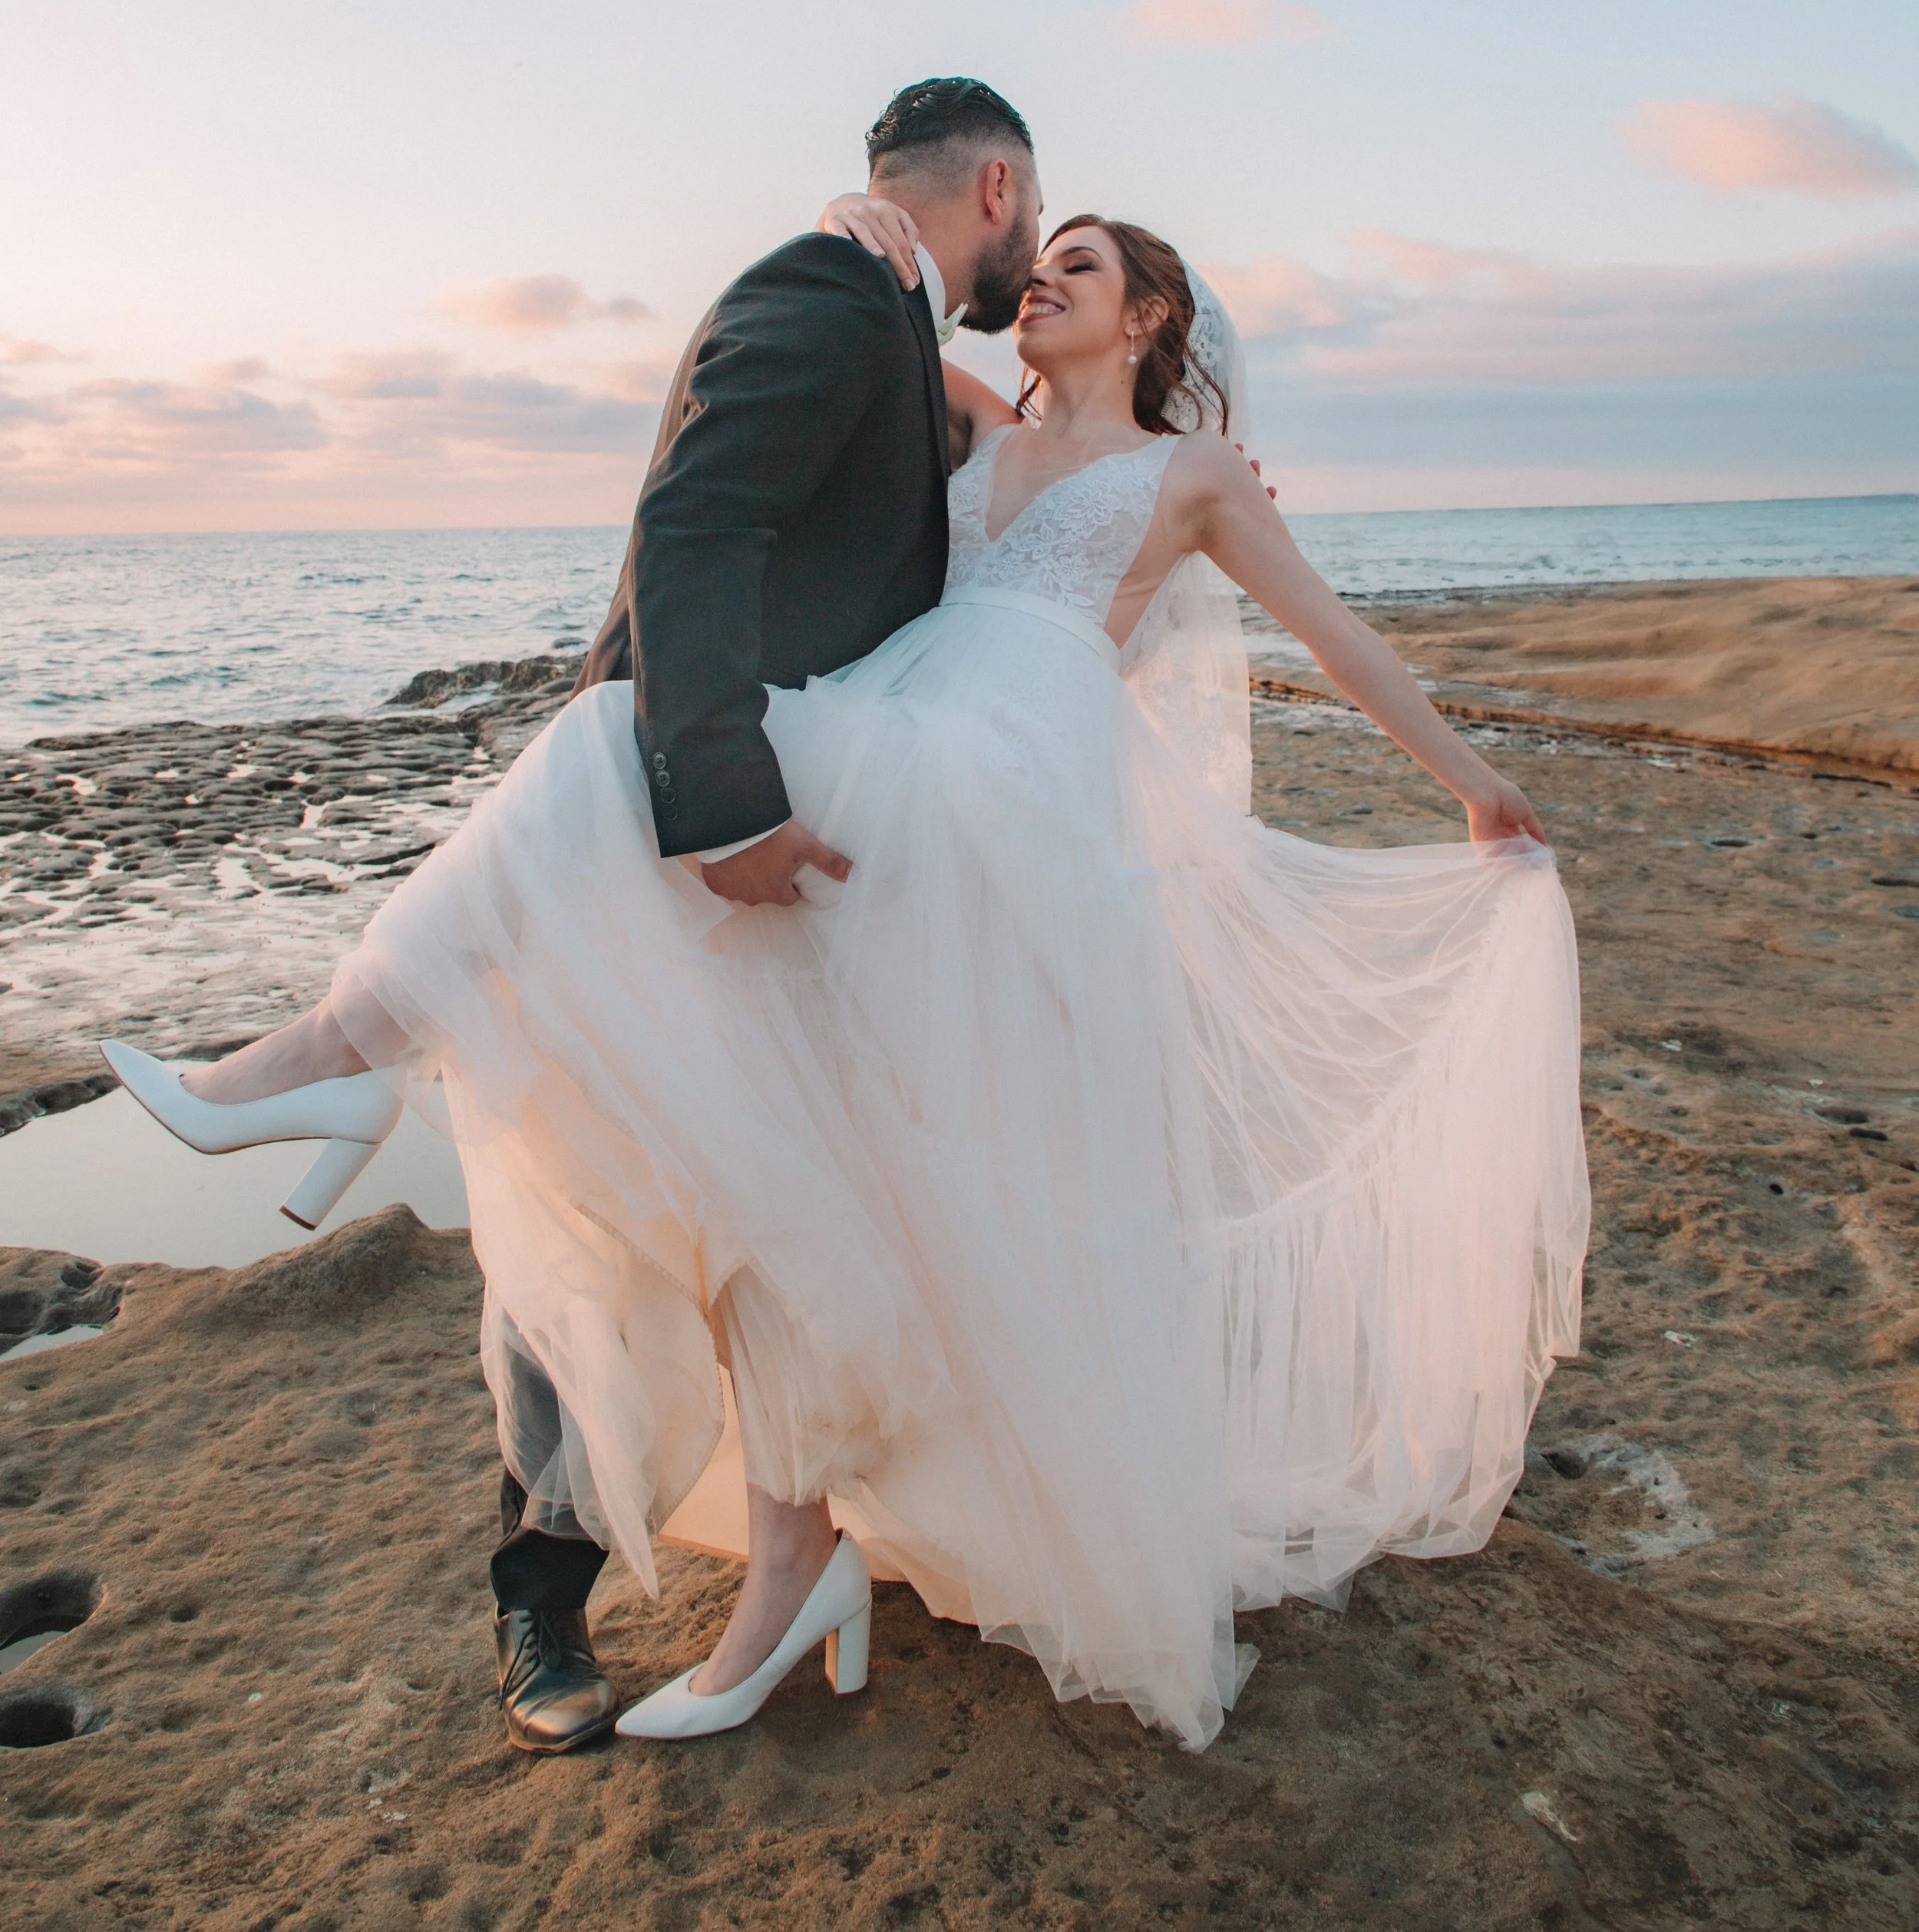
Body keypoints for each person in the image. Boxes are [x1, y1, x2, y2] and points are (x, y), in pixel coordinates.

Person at [107, 97, 1588, 1757]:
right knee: (809, 1163)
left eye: (1079, 268)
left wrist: (1472, 786)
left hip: (1001, 811)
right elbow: (876, 319)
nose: (1042, 284)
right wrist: (859, 214)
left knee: (619, 770)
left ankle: (341, 1058)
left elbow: (1335, 639)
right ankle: (771, 1555)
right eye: (1039, 257)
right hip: (895, 773)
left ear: (1148, 314)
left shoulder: (1191, 479)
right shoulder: (966, 414)